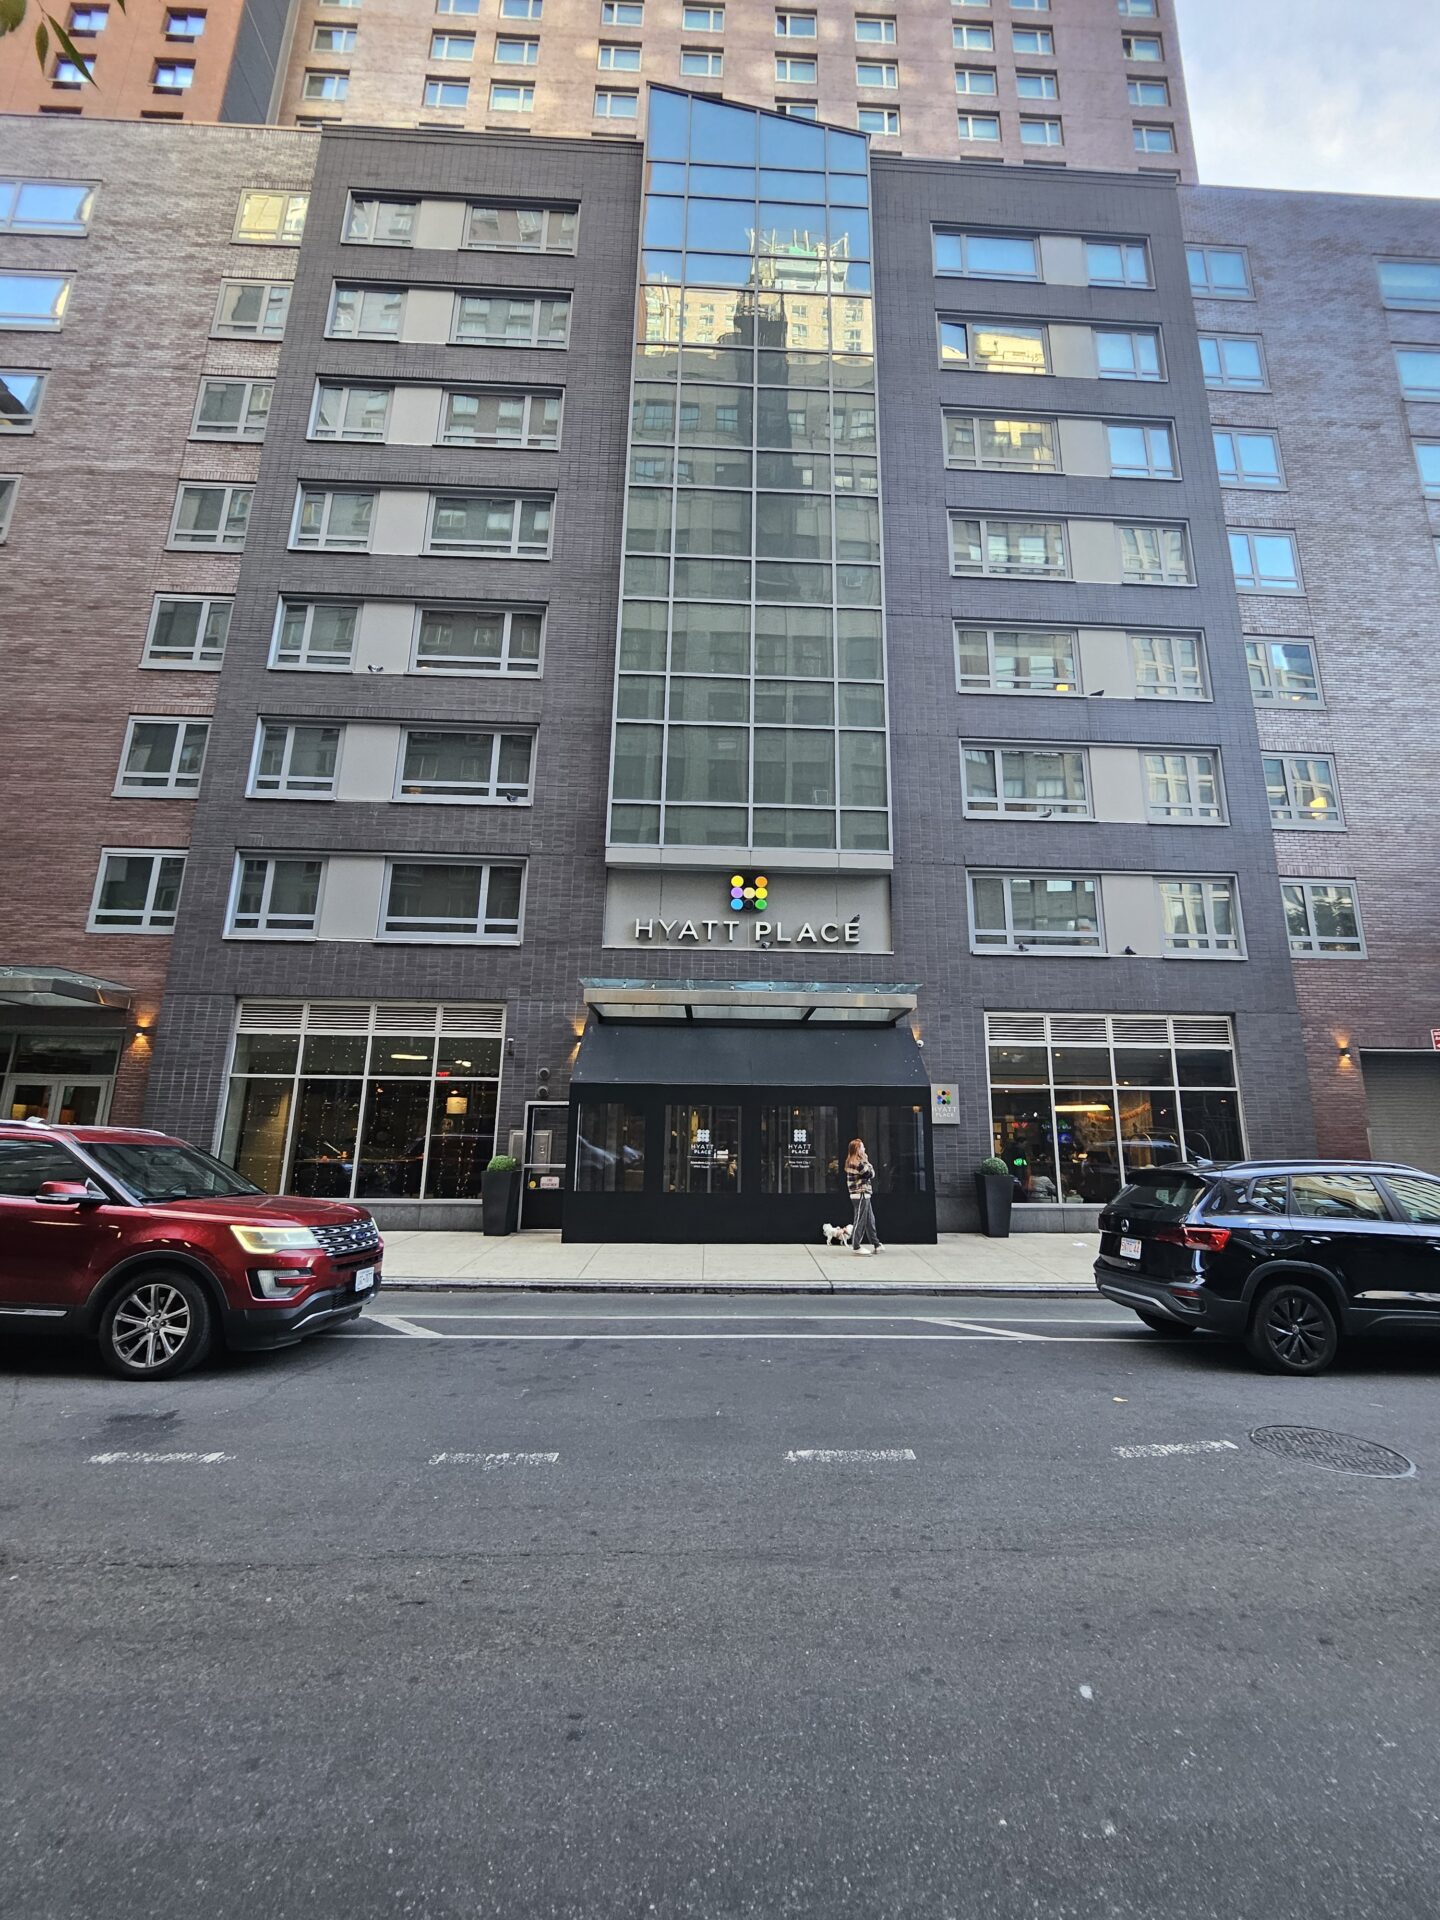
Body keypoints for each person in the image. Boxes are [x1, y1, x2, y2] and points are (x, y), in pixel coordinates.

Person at [845, 1136, 883, 1254]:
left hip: (863, 1194)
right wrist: (866, 1160)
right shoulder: (857, 1163)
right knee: (860, 1220)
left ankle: (876, 1243)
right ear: (857, 1150)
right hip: (860, 1193)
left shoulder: (852, 1161)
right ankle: (856, 1246)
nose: (864, 1148)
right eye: (862, 1147)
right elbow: (870, 1174)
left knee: (869, 1219)